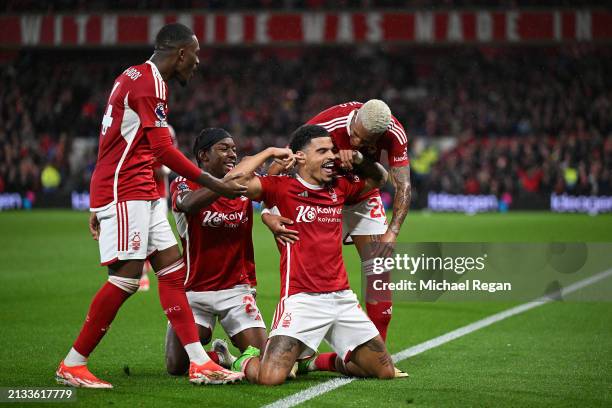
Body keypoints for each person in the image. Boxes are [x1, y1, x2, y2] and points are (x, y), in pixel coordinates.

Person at [56, 23, 245, 388]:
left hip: (140, 188)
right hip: (126, 188)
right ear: (180, 53)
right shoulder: (151, 83)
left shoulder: (133, 75)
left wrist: (98, 200)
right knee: (126, 279)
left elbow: (115, 139)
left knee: (172, 271)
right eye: (196, 55)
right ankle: (73, 362)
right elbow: (162, 150)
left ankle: (199, 362)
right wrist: (215, 184)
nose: (197, 62)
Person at [225, 124, 395, 385]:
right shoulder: (281, 187)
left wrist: (360, 159)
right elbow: (231, 181)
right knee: (270, 379)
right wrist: (270, 152)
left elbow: (380, 178)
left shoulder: (340, 187)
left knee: (383, 371)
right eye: (322, 151)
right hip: (301, 298)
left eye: (332, 150)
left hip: (341, 299)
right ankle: (243, 360)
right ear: (300, 157)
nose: (332, 156)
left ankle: (315, 361)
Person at [263, 100, 411, 345]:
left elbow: (402, 184)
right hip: (321, 197)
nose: (356, 142)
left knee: (379, 268)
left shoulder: (394, 133)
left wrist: (392, 232)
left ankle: (378, 352)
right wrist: (267, 213)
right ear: (353, 121)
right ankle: (294, 340)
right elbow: (275, 170)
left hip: (362, 192)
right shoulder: (326, 124)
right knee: (302, 270)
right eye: (355, 136)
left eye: (366, 142)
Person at [164, 128, 290, 375]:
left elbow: (271, 187)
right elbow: (187, 204)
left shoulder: (243, 184)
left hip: (236, 289)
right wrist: (226, 184)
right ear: (204, 156)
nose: (232, 154)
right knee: (176, 366)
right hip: (194, 291)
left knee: (265, 362)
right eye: (224, 148)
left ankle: (228, 359)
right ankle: (215, 357)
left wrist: (276, 170)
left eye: (234, 148)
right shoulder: (184, 183)